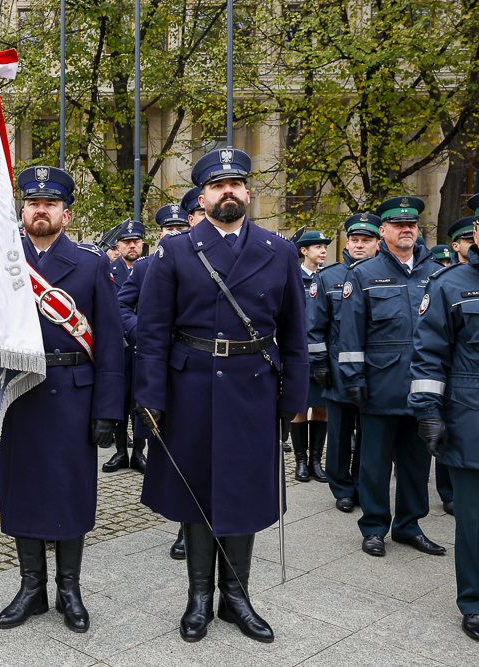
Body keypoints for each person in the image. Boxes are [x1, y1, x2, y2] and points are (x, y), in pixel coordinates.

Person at [135, 148, 308, 644]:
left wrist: (291, 400)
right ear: (202, 196)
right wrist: (150, 398)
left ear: (247, 193)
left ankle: (237, 598)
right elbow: (151, 333)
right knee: (196, 495)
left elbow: (296, 334)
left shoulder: (278, 250)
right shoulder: (174, 251)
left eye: (235, 184)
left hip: (254, 386)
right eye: (217, 185)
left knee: (245, 491)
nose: (227, 192)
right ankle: (198, 599)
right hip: (190, 387)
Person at [0, 166, 123, 634]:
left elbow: (110, 343)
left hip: (73, 395)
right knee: (21, 491)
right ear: (22, 211)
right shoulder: (2, 262)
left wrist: (108, 410)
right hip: (18, 394)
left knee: (71, 495)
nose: (41, 210)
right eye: (33, 203)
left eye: (50, 204)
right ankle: (32, 588)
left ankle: (69, 590)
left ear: (65, 214)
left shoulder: (91, 264)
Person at [338, 196, 445, 558]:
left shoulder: (436, 274)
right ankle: (374, 527)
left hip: (423, 388)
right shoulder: (363, 274)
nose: (406, 230)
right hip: (380, 386)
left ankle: (408, 526)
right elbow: (351, 333)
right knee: (375, 464)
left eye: (411, 225)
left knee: (417, 464)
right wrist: (353, 377)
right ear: (383, 231)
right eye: (398, 225)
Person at [409, 225, 479, 641]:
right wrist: (429, 411)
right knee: (473, 520)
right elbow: (430, 354)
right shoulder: (450, 284)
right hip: (472, 416)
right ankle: (474, 602)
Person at [116, 204, 193, 557]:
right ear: (159, 234)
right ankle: (183, 523)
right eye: (169, 228)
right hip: (159, 367)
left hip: (196, 367)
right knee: (177, 449)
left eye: (181, 226)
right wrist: (143, 335)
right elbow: (122, 307)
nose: (175, 233)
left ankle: (192, 527)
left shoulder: (207, 261)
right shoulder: (147, 267)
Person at [307, 214, 380, 512]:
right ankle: (342, 487)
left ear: (378, 242)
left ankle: (364, 484)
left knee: (370, 432)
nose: (360, 245)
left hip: (376, 368)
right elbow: (314, 326)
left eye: (366, 240)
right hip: (338, 366)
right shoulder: (328, 277)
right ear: (347, 242)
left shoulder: (385, 275)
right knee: (339, 431)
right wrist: (319, 363)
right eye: (355, 240)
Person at [103, 218, 147, 475]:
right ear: (117, 246)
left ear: (142, 244)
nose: (132, 246)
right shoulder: (107, 270)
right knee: (119, 399)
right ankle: (120, 452)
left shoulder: (154, 267)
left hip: (144, 347)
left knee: (140, 399)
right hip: (118, 347)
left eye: (136, 241)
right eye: (127, 242)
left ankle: (139, 452)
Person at [293, 230, 332, 483]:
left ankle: (317, 461)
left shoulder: (328, 278)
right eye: (318, 247)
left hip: (323, 354)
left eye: (325, 247)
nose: (323, 251)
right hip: (298, 353)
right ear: (304, 251)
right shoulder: (293, 278)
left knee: (321, 409)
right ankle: (300, 461)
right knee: (299, 408)